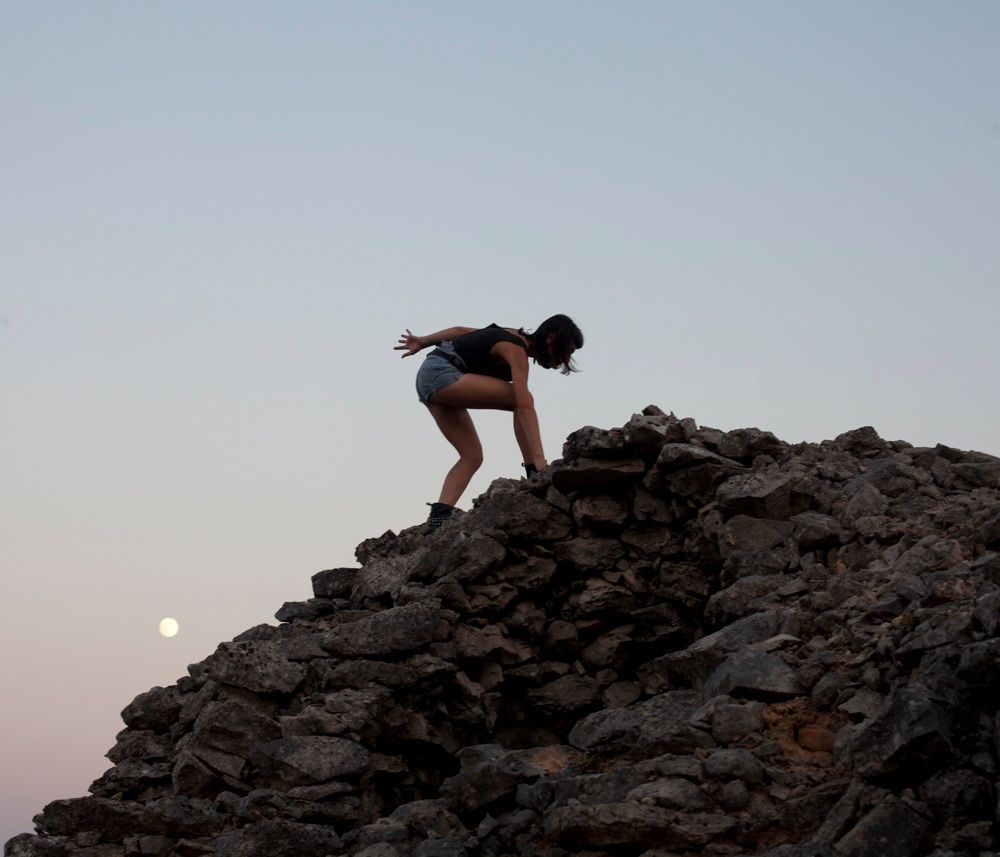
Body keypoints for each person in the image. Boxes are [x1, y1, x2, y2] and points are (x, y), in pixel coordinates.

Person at [395, 315, 584, 528]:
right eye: (569, 349)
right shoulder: (516, 348)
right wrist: (541, 463)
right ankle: (534, 470)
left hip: (429, 380)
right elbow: (524, 406)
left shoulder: (512, 334)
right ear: (551, 338)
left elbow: (461, 329)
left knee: (472, 456)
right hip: (443, 373)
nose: (567, 358)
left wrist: (423, 341)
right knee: (521, 398)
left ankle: (438, 519)